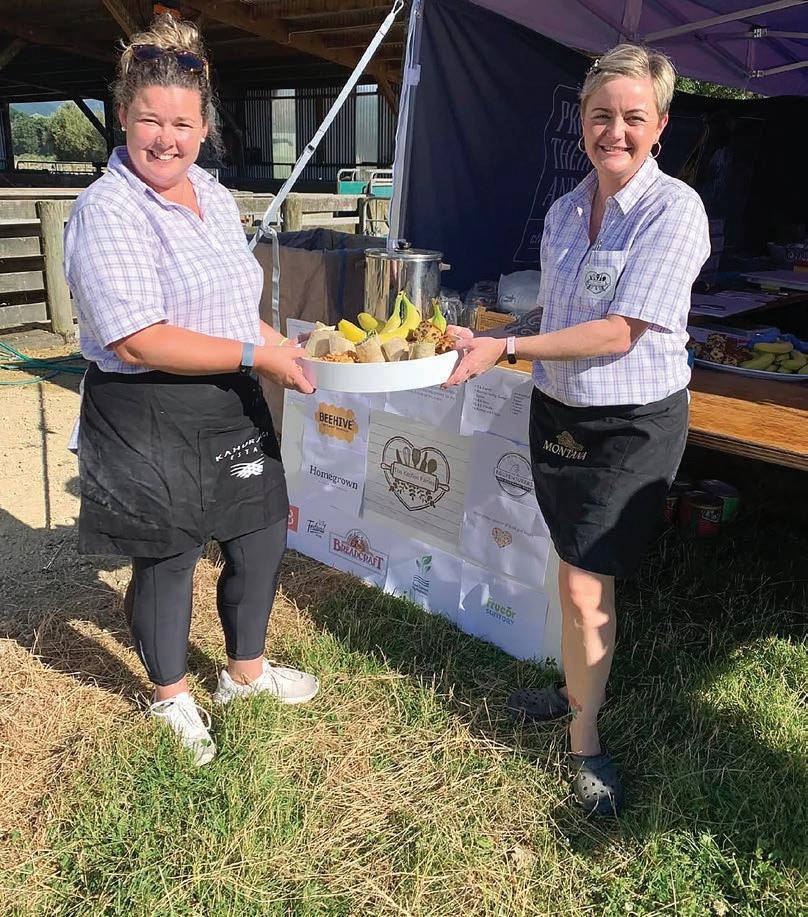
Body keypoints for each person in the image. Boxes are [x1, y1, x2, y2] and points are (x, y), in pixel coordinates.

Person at [445, 44, 709, 815]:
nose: (614, 131)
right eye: (600, 115)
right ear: (581, 121)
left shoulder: (674, 211)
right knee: (570, 571)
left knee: (589, 586)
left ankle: (585, 738)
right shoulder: (566, 211)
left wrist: (508, 351)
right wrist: (493, 334)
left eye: (633, 117)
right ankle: (574, 688)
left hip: (629, 423)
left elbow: (619, 330)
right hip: (558, 414)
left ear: (660, 124)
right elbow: (560, 314)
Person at [64, 15, 319, 766]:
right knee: (169, 554)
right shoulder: (108, 209)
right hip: (146, 405)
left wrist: (282, 349)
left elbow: (231, 306)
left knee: (260, 530)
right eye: (151, 120)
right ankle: (171, 694)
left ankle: (245, 672)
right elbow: (137, 338)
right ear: (123, 116)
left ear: (205, 127)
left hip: (227, 397)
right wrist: (255, 354)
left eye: (182, 123)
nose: (166, 139)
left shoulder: (209, 190)